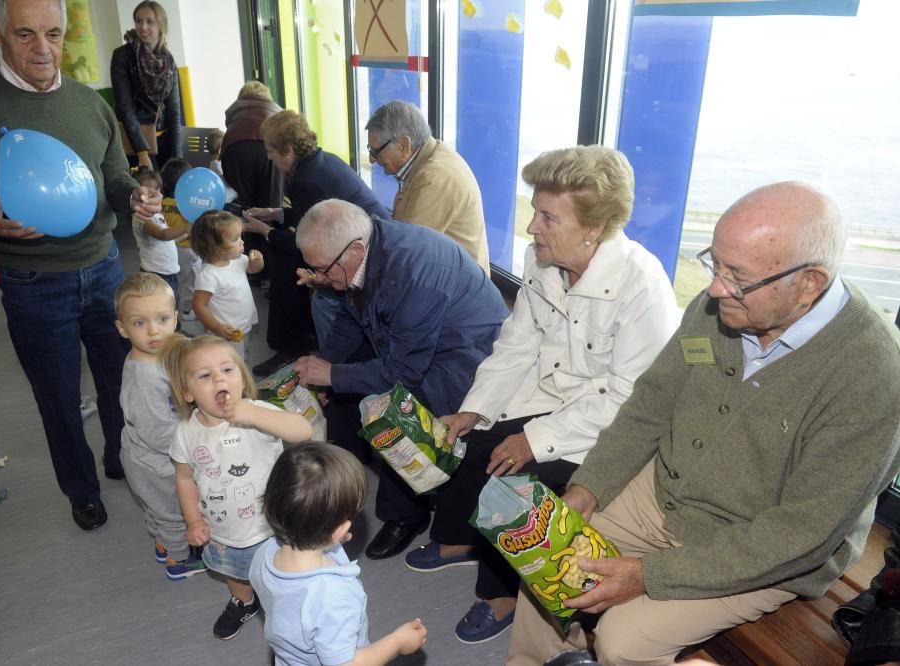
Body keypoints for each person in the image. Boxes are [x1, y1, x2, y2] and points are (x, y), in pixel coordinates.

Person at [507, 181, 900, 666]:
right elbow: (650, 404)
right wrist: (588, 488)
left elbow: (801, 534)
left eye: (737, 276)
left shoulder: (873, 374)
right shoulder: (719, 307)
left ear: (809, 284)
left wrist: (648, 574)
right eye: (715, 262)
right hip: (663, 496)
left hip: (758, 546)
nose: (715, 289)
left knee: (622, 643)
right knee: (546, 555)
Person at [403, 146, 679, 644]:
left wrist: (534, 439)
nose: (532, 227)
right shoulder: (542, 260)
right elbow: (517, 344)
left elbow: (630, 401)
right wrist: (475, 409)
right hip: (550, 399)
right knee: (475, 441)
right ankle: (459, 538)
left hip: (607, 430)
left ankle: (501, 595)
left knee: (517, 486)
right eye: (535, 211)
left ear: (594, 228)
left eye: (548, 217)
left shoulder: (643, 287)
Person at [0, 0, 163, 531]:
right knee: (58, 396)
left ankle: (118, 458)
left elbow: (114, 176)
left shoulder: (90, 104)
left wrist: (134, 197)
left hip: (105, 268)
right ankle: (81, 490)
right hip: (32, 281)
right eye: (26, 34)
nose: (44, 48)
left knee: (121, 378)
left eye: (54, 34)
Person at [293, 199, 508, 561]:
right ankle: (340, 487)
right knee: (342, 389)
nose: (320, 278)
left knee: (394, 414)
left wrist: (331, 373)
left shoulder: (414, 273)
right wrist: (327, 361)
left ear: (355, 250)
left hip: (468, 354)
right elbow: (351, 315)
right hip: (417, 341)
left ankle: (406, 514)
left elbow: (402, 374)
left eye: (323, 269)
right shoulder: (364, 248)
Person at [160, 334, 312, 640]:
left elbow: (303, 431)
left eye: (228, 370)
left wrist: (255, 414)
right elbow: (184, 477)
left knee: (283, 575)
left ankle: (289, 610)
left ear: (241, 379)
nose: (219, 378)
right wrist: (193, 520)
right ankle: (244, 601)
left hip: (273, 527)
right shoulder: (186, 433)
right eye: (205, 375)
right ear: (188, 393)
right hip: (222, 530)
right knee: (232, 572)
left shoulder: (257, 413)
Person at [250, 441, 429, 665]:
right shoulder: (334, 597)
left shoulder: (264, 554)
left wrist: (331, 538)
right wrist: (397, 642)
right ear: (341, 529)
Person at [244, 111, 390, 377]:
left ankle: (295, 349)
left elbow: (304, 239)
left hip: (367, 252)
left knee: (288, 261)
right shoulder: (319, 163)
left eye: (270, 150)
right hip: (366, 236)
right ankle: (302, 338)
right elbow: (309, 216)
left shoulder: (306, 180)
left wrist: (265, 231)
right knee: (283, 249)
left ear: (287, 151)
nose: (268, 157)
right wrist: (275, 214)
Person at [113, 273, 204, 580]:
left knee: (155, 508)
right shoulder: (145, 378)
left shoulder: (154, 355)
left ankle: (163, 543)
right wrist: (195, 440)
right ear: (122, 328)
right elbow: (158, 433)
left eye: (163, 319)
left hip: (145, 455)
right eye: (140, 323)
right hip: (158, 463)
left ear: (175, 318)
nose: (154, 330)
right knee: (174, 512)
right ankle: (179, 561)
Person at [366, 100, 490, 273]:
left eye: (376, 152)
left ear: (404, 145)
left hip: (457, 293)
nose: (371, 159)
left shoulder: (435, 177)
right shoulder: (428, 156)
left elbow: (406, 253)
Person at [110, 1, 182, 169]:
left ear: (161, 26)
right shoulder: (122, 56)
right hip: (136, 144)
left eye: (150, 21)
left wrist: (177, 159)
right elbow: (125, 107)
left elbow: (174, 112)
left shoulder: (168, 61)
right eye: (138, 21)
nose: (142, 27)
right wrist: (142, 153)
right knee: (149, 192)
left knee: (170, 190)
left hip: (163, 140)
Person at [189, 210, 265, 359]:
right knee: (231, 362)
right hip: (226, 333)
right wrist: (217, 327)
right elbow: (199, 305)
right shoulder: (208, 275)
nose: (242, 242)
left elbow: (252, 269)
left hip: (241, 326)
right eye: (236, 239)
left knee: (241, 355)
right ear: (215, 247)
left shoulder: (237, 260)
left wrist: (258, 261)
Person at [221, 81, 283, 210]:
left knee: (245, 200)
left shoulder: (235, 109)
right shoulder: (275, 110)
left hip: (233, 150)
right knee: (270, 202)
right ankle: (269, 227)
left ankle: (245, 224)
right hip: (266, 149)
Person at [131, 167, 189, 299]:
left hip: (169, 272)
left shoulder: (158, 215)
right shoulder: (141, 217)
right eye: (148, 191)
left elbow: (169, 240)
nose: (155, 195)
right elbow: (163, 235)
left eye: (157, 189)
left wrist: (187, 234)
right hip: (155, 273)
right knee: (161, 308)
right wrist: (185, 227)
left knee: (171, 306)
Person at [159, 158, 199, 323]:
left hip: (169, 248)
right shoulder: (188, 203)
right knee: (189, 279)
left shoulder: (164, 202)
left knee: (175, 279)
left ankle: (174, 305)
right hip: (187, 247)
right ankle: (187, 310)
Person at [207, 128, 238, 206]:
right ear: (220, 150)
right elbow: (228, 180)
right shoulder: (218, 165)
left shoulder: (213, 163)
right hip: (225, 196)